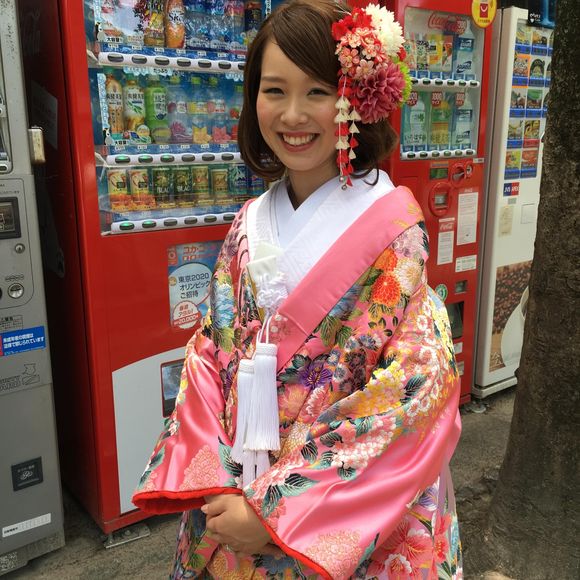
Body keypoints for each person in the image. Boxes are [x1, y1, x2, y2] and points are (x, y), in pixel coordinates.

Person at [133, 2, 463, 578]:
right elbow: (208, 354)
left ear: (355, 98)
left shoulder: (393, 233)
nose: (292, 114)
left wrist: (276, 511)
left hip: (325, 511)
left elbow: (414, 391)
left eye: (317, 92)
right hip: (233, 489)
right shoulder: (249, 222)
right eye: (274, 90)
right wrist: (220, 482)